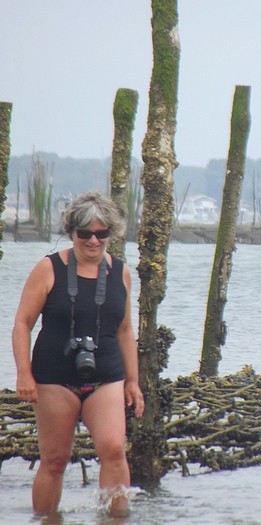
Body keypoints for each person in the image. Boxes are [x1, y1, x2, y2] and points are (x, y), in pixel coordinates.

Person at [12, 190, 145, 518]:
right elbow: (22, 324)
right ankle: (45, 520)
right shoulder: (49, 268)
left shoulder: (121, 272)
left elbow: (126, 330)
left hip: (106, 374)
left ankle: (114, 518)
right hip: (54, 376)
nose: (94, 241)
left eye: (102, 234)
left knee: (114, 450)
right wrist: (24, 373)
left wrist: (133, 381)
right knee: (55, 460)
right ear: (71, 232)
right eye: (85, 233)